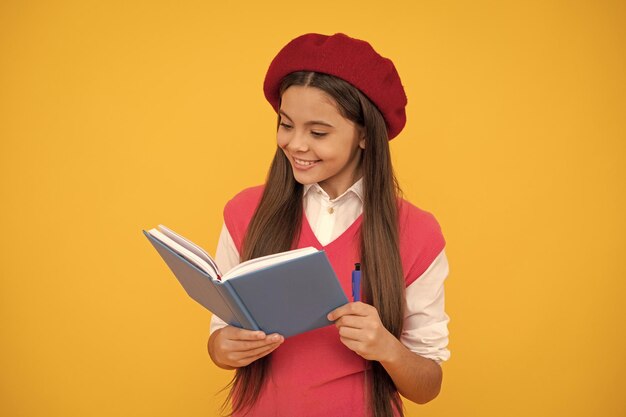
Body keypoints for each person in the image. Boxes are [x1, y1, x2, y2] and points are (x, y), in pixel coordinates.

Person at [207, 33, 450, 417]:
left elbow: (427, 385)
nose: (296, 144)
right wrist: (222, 348)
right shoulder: (245, 211)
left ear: (366, 135)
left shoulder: (417, 233)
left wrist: (386, 346)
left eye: (318, 132)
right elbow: (220, 335)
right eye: (286, 125)